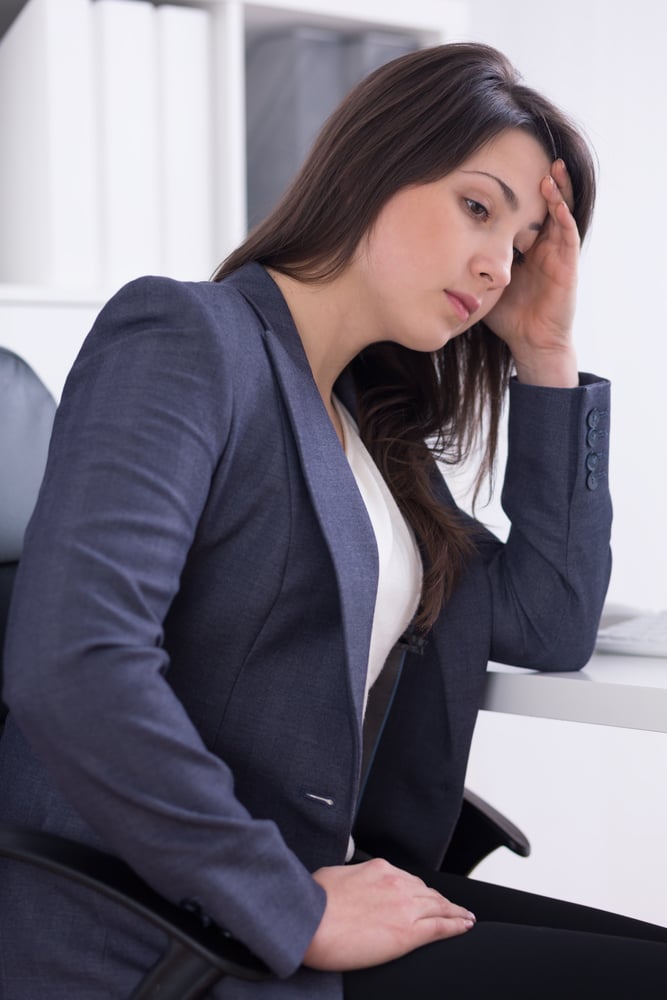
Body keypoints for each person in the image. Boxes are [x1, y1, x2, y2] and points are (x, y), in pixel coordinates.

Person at [0, 41, 665, 1000]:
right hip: (166, 928)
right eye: (476, 208)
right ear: (374, 167)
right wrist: (292, 907)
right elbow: (74, 662)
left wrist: (544, 350)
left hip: (315, 888)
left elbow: (552, 618)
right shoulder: (191, 340)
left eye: (518, 247)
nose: (493, 268)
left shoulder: (368, 432)